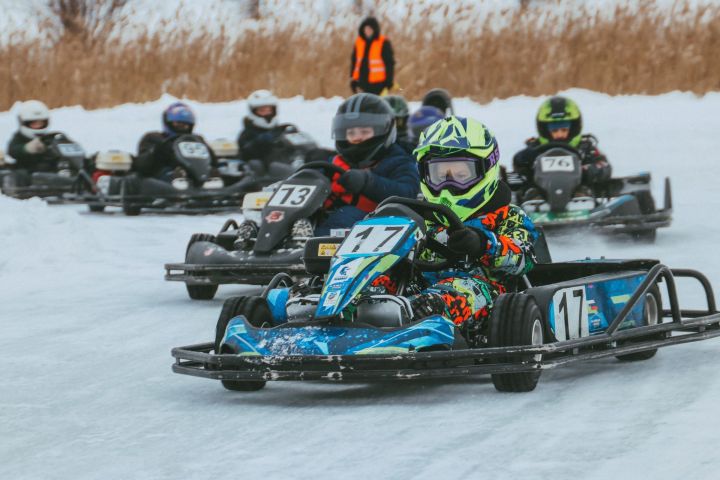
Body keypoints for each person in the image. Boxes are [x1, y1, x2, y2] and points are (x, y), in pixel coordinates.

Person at [399, 116, 538, 345]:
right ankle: (356, 314)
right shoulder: (421, 217)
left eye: (460, 175)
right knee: (380, 281)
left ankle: (422, 319)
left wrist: (484, 243)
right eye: (440, 175)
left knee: (457, 289)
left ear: (486, 169)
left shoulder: (507, 215)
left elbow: (525, 257)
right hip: (420, 288)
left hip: (487, 298)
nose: (449, 184)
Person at [316, 92, 419, 235]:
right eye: (351, 133)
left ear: (383, 131)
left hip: (378, 230)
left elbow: (407, 193)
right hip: (330, 222)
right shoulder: (334, 163)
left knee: (346, 215)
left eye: (364, 132)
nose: (357, 138)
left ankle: (307, 252)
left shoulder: (398, 161)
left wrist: (368, 182)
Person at [512, 96, 611, 199]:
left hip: (577, 193)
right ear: (545, 129)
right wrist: (524, 158)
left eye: (564, 130)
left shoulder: (585, 147)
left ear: (573, 128)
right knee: (530, 190)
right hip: (542, 194)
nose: (559, 134)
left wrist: (585, 171)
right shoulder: (536, 147)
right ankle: (534, 203)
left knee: (584, 189)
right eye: (555, 130)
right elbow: (518, 164)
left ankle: (581, 200)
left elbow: (604, 166)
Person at [133, 102, 216, 182]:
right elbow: (142, 165)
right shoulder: (153, 138)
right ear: (168, 123)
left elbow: (212, 160)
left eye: (185, 125)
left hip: (195, 175)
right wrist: (158, 149)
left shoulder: (197, 140)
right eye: (178, 124)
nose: (182, 127)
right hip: (165, 176)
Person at [6, 100, 57, 174]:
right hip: (27, 171)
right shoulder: (20, 137)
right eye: (34, 123)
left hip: (48, 170)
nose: (38, 126)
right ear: (24, 123)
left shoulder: (49, 137)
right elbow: (12, 150)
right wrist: (26, 148)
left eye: (41, 123)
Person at [350, 17, 395, 95]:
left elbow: (389, 63)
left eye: (370, 29)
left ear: (375, 29)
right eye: (366, 29)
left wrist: (389, 81)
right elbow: (354, 63)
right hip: (361, 83)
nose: (367, 31)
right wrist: (353, 80)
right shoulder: (358, 43)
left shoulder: (383, 42)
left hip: (378, 84)